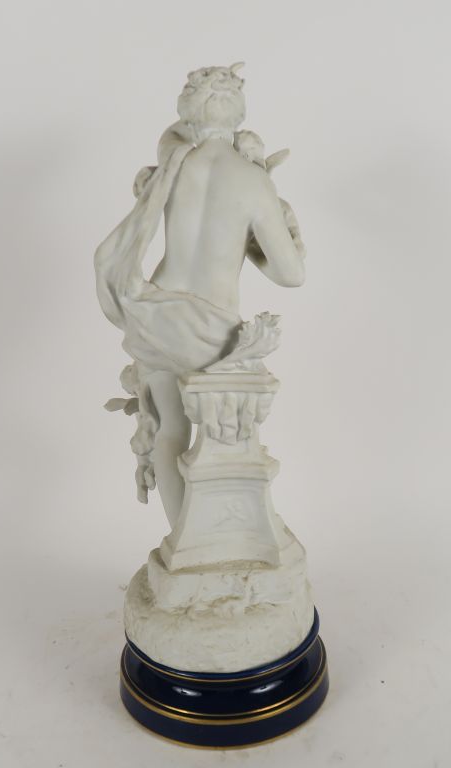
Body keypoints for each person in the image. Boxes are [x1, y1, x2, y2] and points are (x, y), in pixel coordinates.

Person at [95, 64, 306, 526]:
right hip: (212, 334)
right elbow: (291, 275)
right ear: (240, 114)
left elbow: (174, 133)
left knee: (170, 430)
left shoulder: (173, 164)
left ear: (188, 112)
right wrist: (267, 230)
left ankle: (182, 544)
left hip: (154, 313)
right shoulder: (252, 180)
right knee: (213, 435)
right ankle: (221, 536)